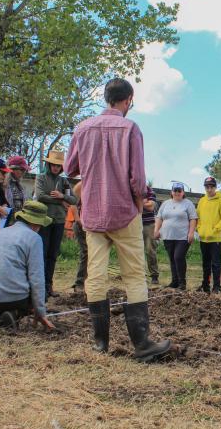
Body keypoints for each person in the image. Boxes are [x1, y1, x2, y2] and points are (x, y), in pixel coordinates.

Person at [64, 77, 171, 360]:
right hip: (124, 212)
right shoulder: (130, 128)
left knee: (95, 275)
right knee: (134, 275)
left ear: (106, 98)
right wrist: (138, 203)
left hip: (93, 214)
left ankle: (100, 343)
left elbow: (70, 167)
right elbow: (137, 177)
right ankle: (142, 343)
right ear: (128, 100)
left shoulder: (83, 128)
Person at [0, 201, 56, 331]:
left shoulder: (2, 232)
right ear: (36, 224)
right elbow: (36, 278)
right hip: (9, 297)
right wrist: (40, 311)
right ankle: (14, 313)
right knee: (41, 293)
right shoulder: (34, 238)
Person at [34, 150, 77, 297]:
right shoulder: (41, 178)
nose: (56, 168)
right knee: (43, 253)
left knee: (53, 254)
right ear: (49, 164)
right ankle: (40, 288)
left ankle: (49, 286)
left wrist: (62, 196)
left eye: (59, 166)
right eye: (53, 165)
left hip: (59, 221)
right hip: (44, 221)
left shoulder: (63, 181)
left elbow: (74, 200)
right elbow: (40, 196)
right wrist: (60, 200)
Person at [154, 182, 197, 291]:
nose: (177, 192)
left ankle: (182, 283)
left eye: (179, 191)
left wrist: (191, 233)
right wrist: (156, 230)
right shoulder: (165, 203)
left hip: (182, 237)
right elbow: (159, 218)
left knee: (178, 257)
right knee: (172, 259)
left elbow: (193, 219)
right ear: (171, 192)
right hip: (168, 236)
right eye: (175, 190)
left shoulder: (188, 204)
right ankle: (174, 281)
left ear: (183, 192)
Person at [195, 176, 221, 293]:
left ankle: (217, 287)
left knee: (216, 264)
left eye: (211, 187)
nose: (209, 189)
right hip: (203, 238)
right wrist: (199, 229)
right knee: (205, 264)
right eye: (207, 187)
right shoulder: (201, 201)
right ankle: (205, 286)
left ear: (215, 187)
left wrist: (215, 230)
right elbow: (197, 217)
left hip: (215, 239)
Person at [70, 181, 88, 293]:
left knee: (94, 254)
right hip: (81, 224)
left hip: (93, 225)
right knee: (85, 252)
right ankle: (79, 283)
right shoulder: (81, 185)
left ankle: (88, 282)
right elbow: (72, 203)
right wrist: (78, 220)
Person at [142, 185, 160, 285]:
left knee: (150, 250)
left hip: (149, 224)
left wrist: (136, 202)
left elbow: (151, 206)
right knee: (136, 252)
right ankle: (140, 275)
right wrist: (144, 201)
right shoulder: (129, 188)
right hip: (134, 224)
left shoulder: (149, 190)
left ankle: (154, 275)